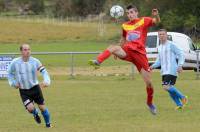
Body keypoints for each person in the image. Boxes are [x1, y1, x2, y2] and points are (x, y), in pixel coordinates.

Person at [89, 4, 160, 115]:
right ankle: (98, 61)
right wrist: (117, 52)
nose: (130, 15)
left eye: (132, 12)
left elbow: (156, 21)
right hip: (128, 51)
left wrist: (156, 15)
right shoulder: (125, 25)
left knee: (149, 83)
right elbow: (123, 39)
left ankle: (150, 103)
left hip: (140, 55)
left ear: (136, 13)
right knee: (112, 47)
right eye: (128, 13)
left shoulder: (144, 20)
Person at [7, 44, 52, 127]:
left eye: (29, 49)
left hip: (35, 88)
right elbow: (9, 73)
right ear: (21, 51)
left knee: (42, 108)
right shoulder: (15, 62)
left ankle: (48, 125)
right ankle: (35, 113)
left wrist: (46, 81)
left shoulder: (35, 61)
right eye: (25, 49)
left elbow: (44, 71)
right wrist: (13, 83)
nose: (27, 51)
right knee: (30, 108)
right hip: (24, 90)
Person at [150, 29, 188, 110]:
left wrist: (180, 65)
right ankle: (179, 105)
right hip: (164, 71)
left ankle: (183, 97)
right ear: (158, 36)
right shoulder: (159, 47)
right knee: (169, 89)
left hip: (172, 70)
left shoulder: (171, 45)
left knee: (166, 87)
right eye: (160, 34)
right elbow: (159, 61)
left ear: (166, 35)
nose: (161, 36)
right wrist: (152, 66)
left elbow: (181, 54)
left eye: (163, 34)